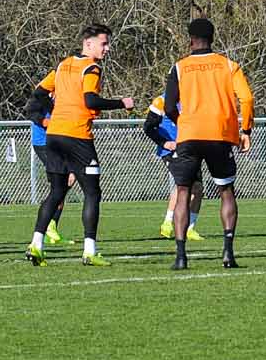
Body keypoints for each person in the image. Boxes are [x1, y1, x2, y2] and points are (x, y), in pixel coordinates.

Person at [25, 24, 132, 267]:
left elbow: (38, 93)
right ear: (88, 44)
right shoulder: (91, 67)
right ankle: (89, 251)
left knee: (57, 191)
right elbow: (91, 100)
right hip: (77, 135)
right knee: (92, 192)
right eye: (104, 43)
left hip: (54, 134)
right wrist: (121, 103)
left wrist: (57, 110)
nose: (107, 48)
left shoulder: (63, 65)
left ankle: (36, 244)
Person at [164, 16, 254, 270]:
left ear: (191, 40)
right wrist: (245, 130)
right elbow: (247, 99)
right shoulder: (229, 65)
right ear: (212, 38)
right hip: (220, 135)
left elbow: (169, 106)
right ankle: (228, 252)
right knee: (226, 191)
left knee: (183, 192)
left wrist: (183, 122)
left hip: (189, 135)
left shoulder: (180, 67)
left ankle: (181, 256)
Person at [143, 91, 204, 240]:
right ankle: (168, 223)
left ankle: (190, 228)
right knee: (182, 184)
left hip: (190, 149)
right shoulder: (161, 101)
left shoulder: (194, 98)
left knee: (197, 188)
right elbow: (148, 127)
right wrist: (164, 143)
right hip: (171, 151)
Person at [28, 108, 67, 247]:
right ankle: (49, 228)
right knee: (59, 187)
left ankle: (51, 227)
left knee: (63, 186)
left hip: (58, 143)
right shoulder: (43, 97)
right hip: (44, 144)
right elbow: (33, 113)